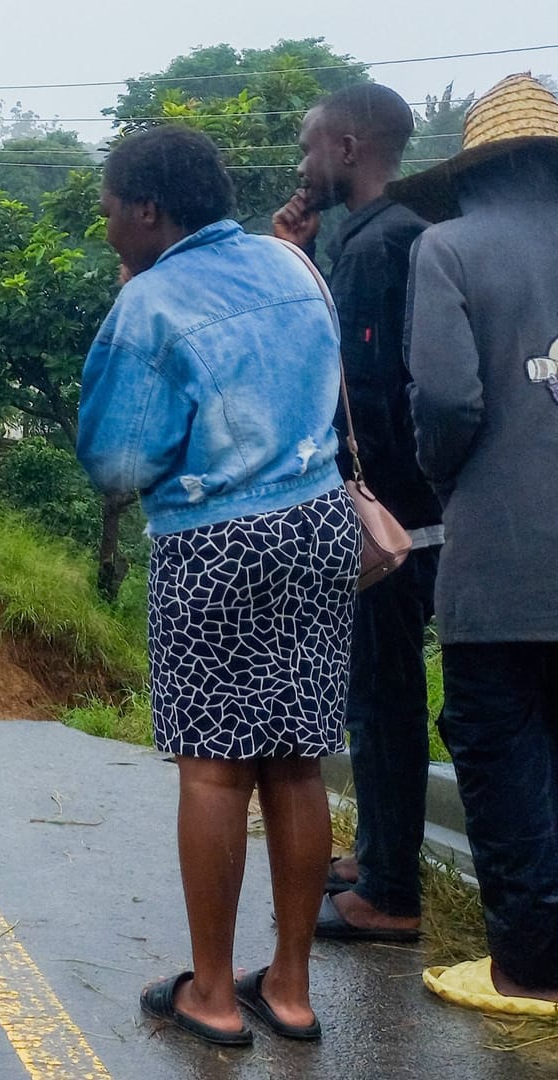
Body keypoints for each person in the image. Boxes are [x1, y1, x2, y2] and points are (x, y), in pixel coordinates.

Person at [78, 125, 353, 1048]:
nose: (107, 221)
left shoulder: (151, 302)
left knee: (214, 765)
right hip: (319, 527)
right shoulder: (291, 266)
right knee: (297, 760)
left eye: (112, 205)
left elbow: (117, 462)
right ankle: (291, 987)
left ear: (148, 209)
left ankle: (211, 996)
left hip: (216, 541)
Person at [391, 72, 558, 1015]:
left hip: (500, 558)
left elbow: (448, 403)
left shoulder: (448, 248)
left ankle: (531, 965)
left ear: (474, 171)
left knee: (500, 753)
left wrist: (457, 479)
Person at [271, 83, 441, 944]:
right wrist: (296, 256)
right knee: (378, 692)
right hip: (414, 512)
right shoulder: (376, 238)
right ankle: (377, 852)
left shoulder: (384, 247)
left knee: (384, 695)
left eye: (308, 147)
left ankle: (390, 892)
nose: (301, 166)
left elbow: (364, 395)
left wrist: (352, 493)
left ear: (345, 148)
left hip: (393, 518)